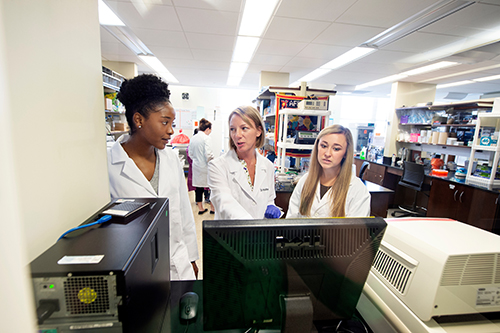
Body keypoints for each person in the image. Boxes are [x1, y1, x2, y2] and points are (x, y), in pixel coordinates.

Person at [107, 74, 199, 280]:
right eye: (165, 122)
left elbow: (184, 211)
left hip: (177, 265)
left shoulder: (171, 159)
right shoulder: (109, 166)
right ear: (138, 120)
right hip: (134, 271)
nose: (171, 131)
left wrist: (192, 258)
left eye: (172, 123)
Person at [208, 106, 281, 220]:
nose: (237, 135)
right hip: (231, 235)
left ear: (258, 131)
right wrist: (251, 226)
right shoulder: (217, 166)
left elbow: (269, 199)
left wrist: (270, 206)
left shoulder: (268, 166)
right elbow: (224, 203)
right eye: (233, 129)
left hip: (261, 235)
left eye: (244, 128)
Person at [286, 124, 370, 218]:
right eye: (324, 146)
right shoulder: (305, 181)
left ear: (346, 153)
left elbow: (356, 231)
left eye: (336, 149)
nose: (327, 153)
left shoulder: (358, 190)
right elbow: (291, 222)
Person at [188, 118, 215, 214]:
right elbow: (208, 154)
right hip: (205, 167)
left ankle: (201, 209)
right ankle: (213, 209)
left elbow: (190, 153)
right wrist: (213, 161)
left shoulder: (193, 138)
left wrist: (196, 160)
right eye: (210, 130)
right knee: (212, 187)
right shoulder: (206, 138)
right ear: (207, 129)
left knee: (198, 188)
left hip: (196, 166)